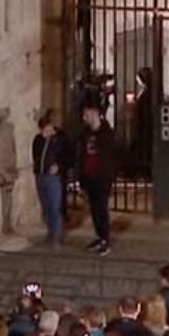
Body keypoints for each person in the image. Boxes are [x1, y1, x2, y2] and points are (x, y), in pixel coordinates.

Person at [76, 101, 117, 256]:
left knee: (101, 208)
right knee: (94, 209)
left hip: (102, 177)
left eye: (86, 114)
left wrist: (110, 175)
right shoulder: (85, 133)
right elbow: (82, 154)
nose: (84, 117)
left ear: (94, 113)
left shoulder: (106, 133)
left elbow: (111, 156)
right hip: (89, 176)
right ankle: (99, 237)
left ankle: (105, 239)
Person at [31, 111, 70, 247]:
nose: (45, 133)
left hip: (54, 177)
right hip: (40, 176)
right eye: (43, 131)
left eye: (48, 130)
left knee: (55, 207)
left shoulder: (61, 140)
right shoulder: (38, 140)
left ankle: (57, 237)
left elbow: (69, 157)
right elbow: (36, 156)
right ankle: (50, 232)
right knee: (46, 207)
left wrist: (59, 166)